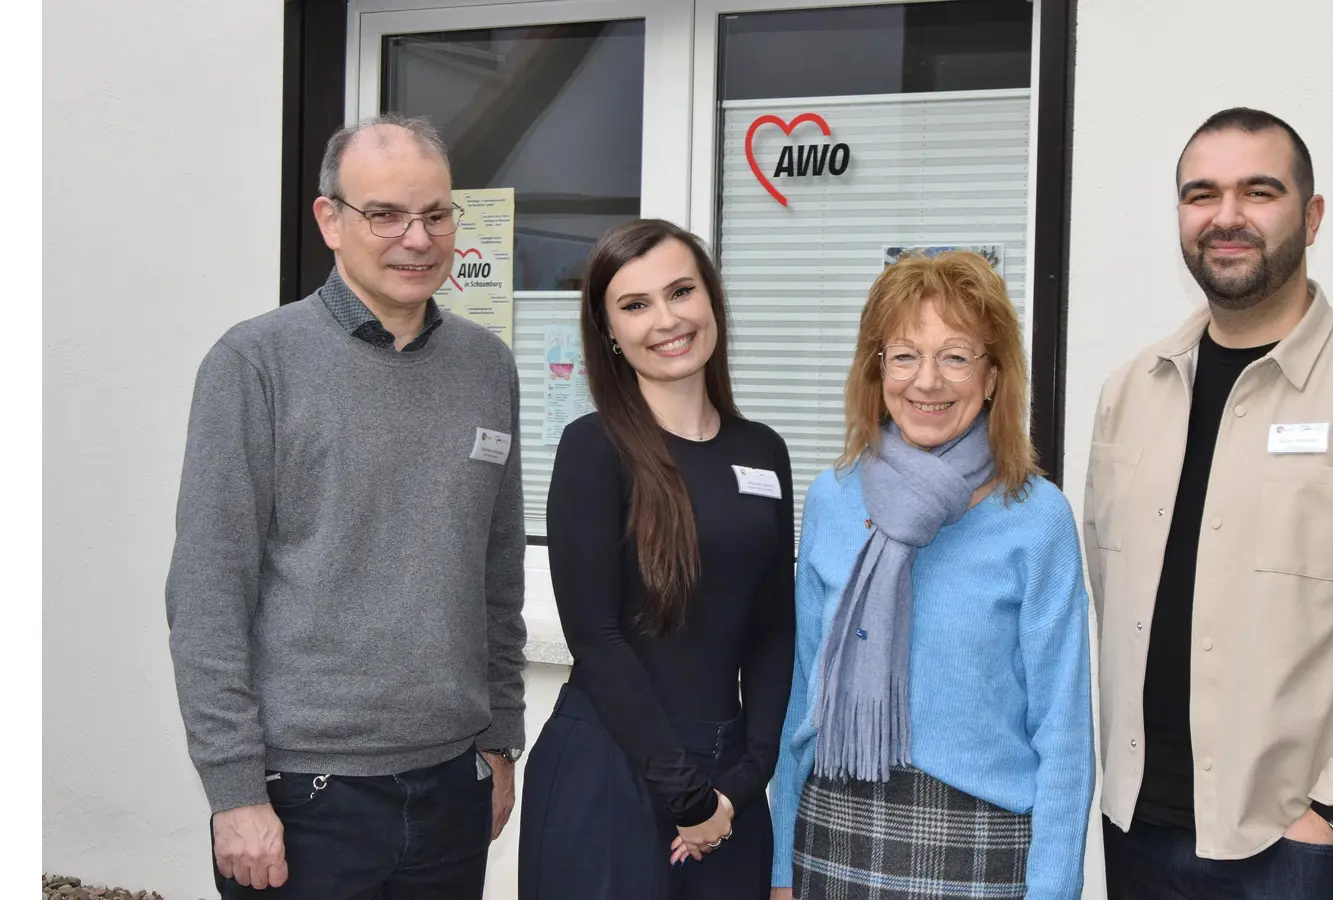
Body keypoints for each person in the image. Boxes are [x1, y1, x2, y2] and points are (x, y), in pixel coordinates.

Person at [1086, 107, 1333, 900]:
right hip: (1137, 828)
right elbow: (1112, 592)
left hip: (1300, 848)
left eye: (1258, 191)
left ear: (1311, 217)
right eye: (1202, 194)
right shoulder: (1130, 392)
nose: (1226, 216)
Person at [165, 114, 527, 898]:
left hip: (453, 784)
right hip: (303, 797)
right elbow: (206, 592)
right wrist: (234, 791)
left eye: (436, 214)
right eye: (386, 214)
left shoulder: (485, 366)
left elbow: (498, 573)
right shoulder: (254, 364)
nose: (417, 239)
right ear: (330, 220)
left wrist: (500, 738)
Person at [769, 251, 1095, 900]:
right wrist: (780, 869)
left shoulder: (1037, 518)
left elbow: (1064, 732)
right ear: (877, 370)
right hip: (832, 836)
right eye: (905, 355)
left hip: (980, 848)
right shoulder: (834, 498)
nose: (927, 380)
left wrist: (1055, 890)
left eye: (955, 356)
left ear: (993, 376)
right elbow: (800, 693)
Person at [518, 218, 796, 899]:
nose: (667, 320)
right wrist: (687, 796)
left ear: (711, 300)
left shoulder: (763, 452)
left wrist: (747, 778)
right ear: (610, 332)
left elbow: (772, 627)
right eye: (636, 304)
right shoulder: (593, 448)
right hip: (611, 773)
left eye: (681, 292)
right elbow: (596, 636)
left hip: (728, 790)